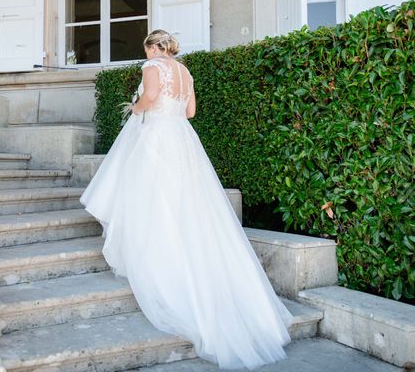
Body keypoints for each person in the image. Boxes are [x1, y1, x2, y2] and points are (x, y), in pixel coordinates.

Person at [80, 29, 293, 370]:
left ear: (153, 47)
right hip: (182, 136)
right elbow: (191, 111)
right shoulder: (185, 71)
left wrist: (135, 107)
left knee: (153, 196)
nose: (147, 54)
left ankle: (155, 255)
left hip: (158, 137)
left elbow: (149, 99)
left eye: (147, 49)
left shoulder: (152, 68)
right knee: (186, 200)